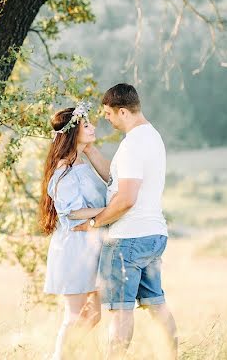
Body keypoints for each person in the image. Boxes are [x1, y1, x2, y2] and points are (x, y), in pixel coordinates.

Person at [72, 83, 178, 359]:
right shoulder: (151, 137)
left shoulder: (133, 145)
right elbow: (118, 181)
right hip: (153, 235)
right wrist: (89, 151)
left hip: (128, 240)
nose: (105, 118)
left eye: (108, 113)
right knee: (157, 305)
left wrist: (96, 222)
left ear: (122, 112)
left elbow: (126, 198)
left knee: (120, 311)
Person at [39, 101, 112, 360]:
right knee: (74, 315)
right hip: (75, 247)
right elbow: (71, 212)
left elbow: (111, 179)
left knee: (94, 314)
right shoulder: (63, 168)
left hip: (91, 244)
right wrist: (108, 212)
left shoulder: (81, 160)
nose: (92, 127)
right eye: (86, 125)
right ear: (73, 132)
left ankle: (69, 354)